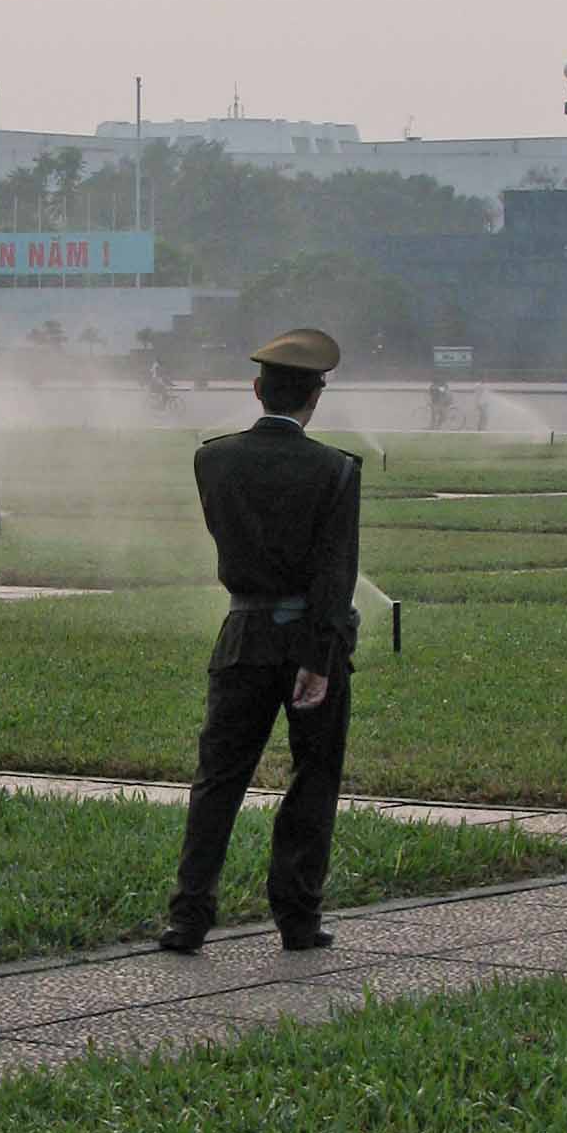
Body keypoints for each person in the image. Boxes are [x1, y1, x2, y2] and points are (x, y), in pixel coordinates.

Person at [160, 327, 361, 956]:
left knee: (218, 779)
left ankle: (188, 918)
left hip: (243, 634)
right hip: (311, 640)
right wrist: (319, 659)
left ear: (256, 390)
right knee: (313, 777)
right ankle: (298, 919)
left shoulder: (212, 458)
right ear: (315, 398)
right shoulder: (336, 470)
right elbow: (335, 574)